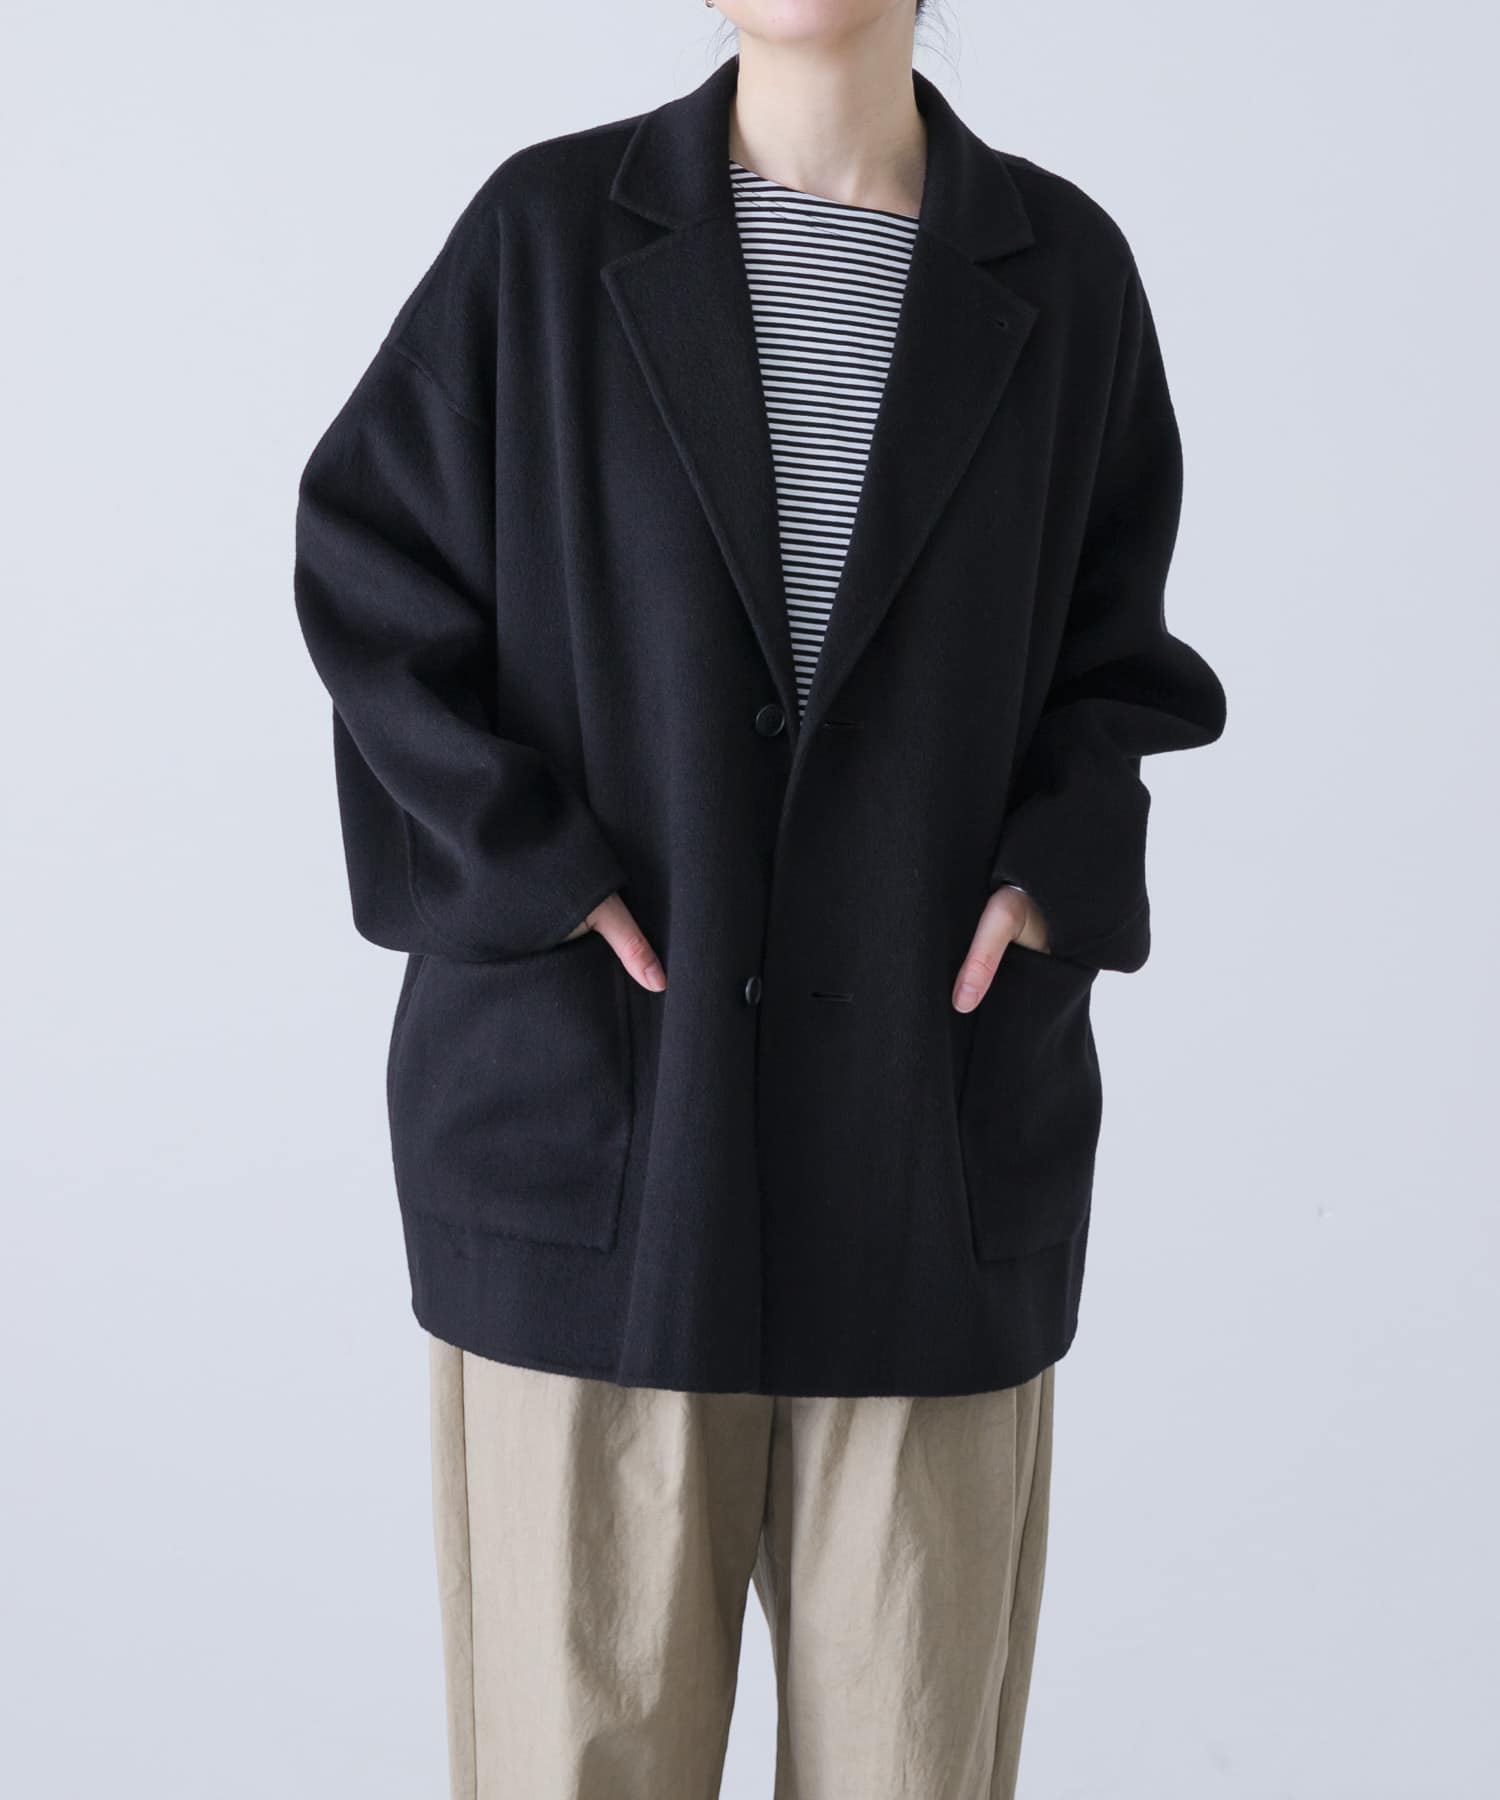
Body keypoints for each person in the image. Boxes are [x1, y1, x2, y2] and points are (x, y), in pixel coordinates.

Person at [292, 3, 1228, 1795]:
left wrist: (1051, 880)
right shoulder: (544, 237)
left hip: (933, 1142)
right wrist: (532, 872)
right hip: (602, 1146)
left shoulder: (1066, 275)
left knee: (909, 1762)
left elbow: (1117, 664)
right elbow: (369, 564)